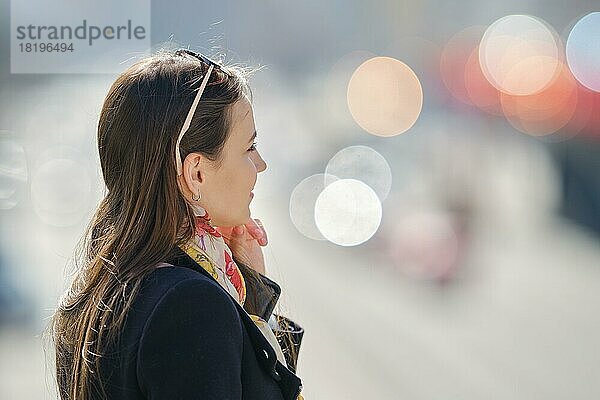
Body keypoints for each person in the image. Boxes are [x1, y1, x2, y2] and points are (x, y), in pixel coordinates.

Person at [47, 48, 305, 399]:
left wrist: (252, 298)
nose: (260, 165)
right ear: (196, 172)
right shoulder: (191, 305)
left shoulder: (96, 288)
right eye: (249, 147)